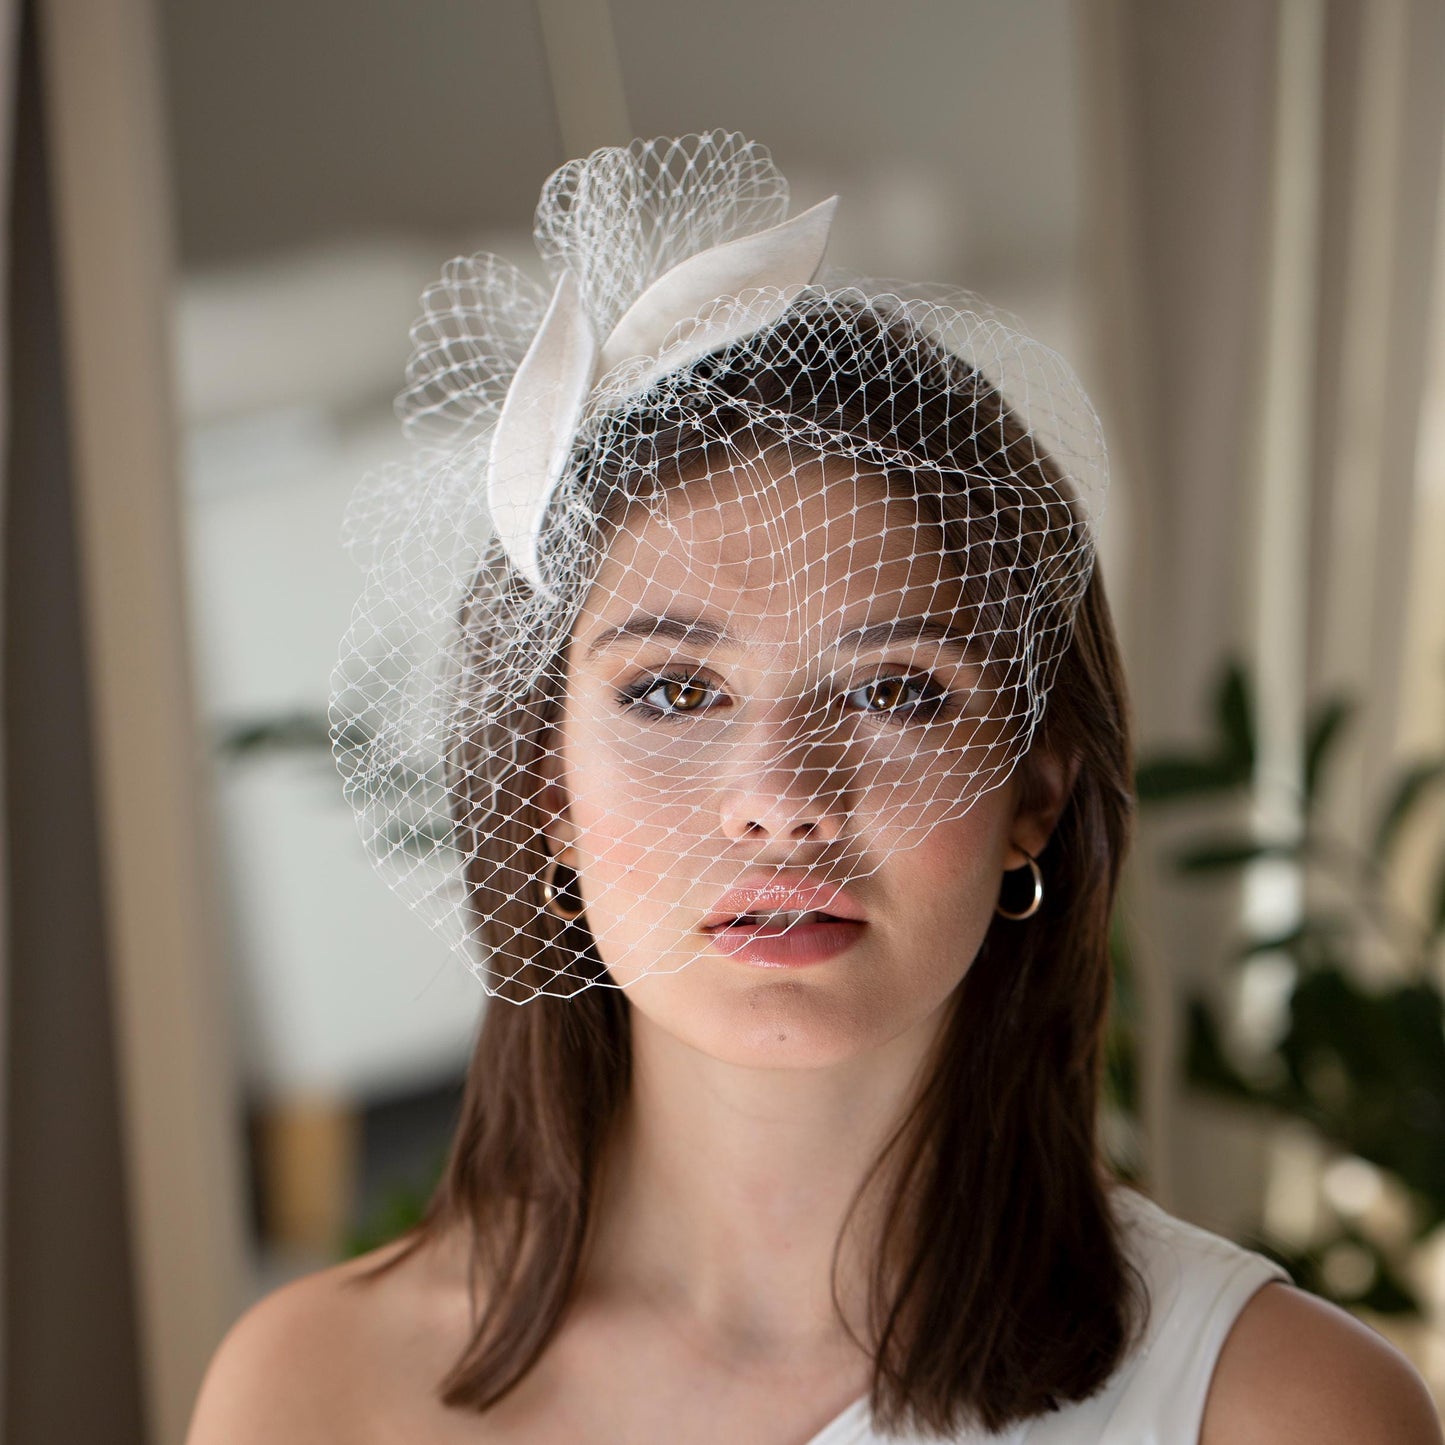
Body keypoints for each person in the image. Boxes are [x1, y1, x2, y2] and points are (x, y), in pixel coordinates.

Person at [186, 133, 1441, 1444]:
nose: (780, 799)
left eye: (893, 690)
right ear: (544, 780)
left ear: (1035, 793)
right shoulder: (315, 1390)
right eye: (674, 691)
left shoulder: (1284, 1410)